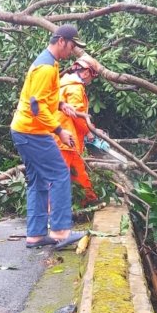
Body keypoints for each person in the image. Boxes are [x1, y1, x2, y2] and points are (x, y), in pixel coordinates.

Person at [10, 24, 87, 250]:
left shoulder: (48, 62)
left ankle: (35, 235)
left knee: (38, 180)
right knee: (59, 173)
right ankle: (61, 232)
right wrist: (60, 131)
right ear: (61, 41)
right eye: (72, 46)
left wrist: (62, 105)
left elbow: (41, 97)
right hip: (32, 132)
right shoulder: (45, 67)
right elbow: (37, 108)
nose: (72, 51)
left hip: (23, 130)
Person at [55, 55, 101, 206]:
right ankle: (50, 212)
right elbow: (77, 114)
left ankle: (89, 199)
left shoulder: (63, 84)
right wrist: (89, 132)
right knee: (58, 175)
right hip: (64, 137)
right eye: (92, 77)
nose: (90, 81)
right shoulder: (75, 87)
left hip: (64, 138)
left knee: (77, 169)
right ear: (87, 73)